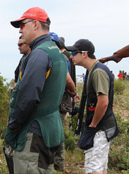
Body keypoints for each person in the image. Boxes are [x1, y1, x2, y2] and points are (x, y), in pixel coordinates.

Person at [4, 7, 67, 173]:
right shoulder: (56, 52)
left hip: (33, 132)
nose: (20, 30)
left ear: (35, 24)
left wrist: (11, 130)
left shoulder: (39, 54)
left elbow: (28, 99)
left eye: (23, 24)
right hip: (49, 129)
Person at [66, 39, 119, 174]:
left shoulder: (98, 72)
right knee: (100, 168)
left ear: (84, 54)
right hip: (101, 128)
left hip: (99, 129)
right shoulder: (95, 69)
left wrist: (93, 125)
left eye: (73, 52)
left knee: (93, 169)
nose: (71, 56)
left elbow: (103, 102)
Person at [49, 32, 79, 172]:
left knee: (57, 132)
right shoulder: (65, 57)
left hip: (60, 99)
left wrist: (72, 93)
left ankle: (57, 165)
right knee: (56, 131)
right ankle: (56, 165)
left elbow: (67, 80)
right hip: (63, 99)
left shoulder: (60, 58)